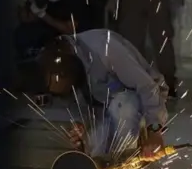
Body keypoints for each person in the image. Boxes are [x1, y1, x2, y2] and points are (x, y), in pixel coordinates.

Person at [36, 29, 169, 160]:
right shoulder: (65, 66)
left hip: (142, 102)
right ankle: (111, 160)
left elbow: (146, 86)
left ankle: (125, 158)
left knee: (125, 103)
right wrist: (82, 126)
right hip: (108, 110)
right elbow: (85, 108)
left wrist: (154, 129)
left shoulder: (105, 47)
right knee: (95, 147)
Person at [14, 0, 90, 60]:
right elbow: (25, 18)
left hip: (66, 38)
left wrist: (43, 15)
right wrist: (31, 6)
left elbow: (71, 29)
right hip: (42, 34)